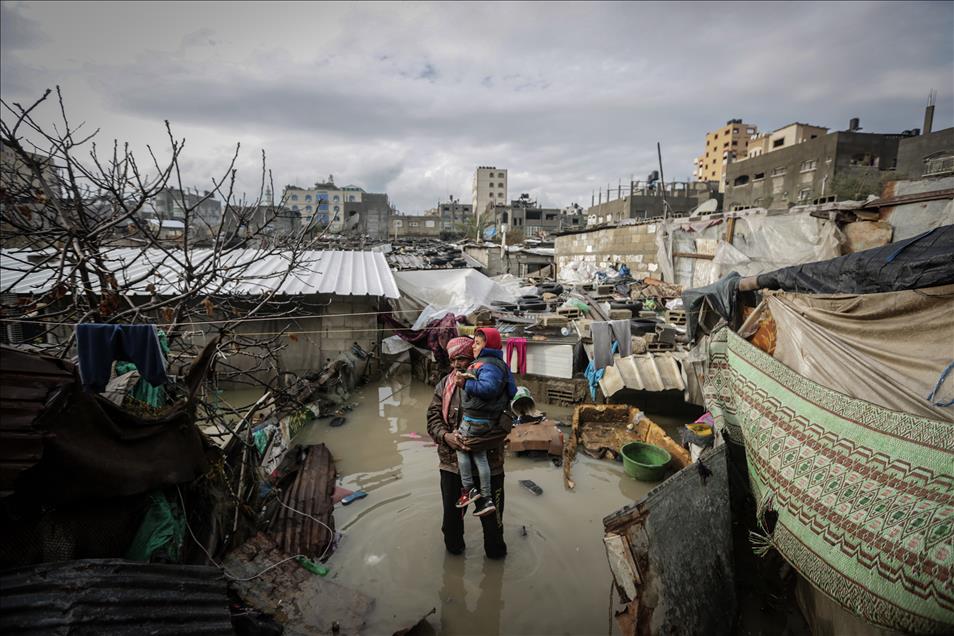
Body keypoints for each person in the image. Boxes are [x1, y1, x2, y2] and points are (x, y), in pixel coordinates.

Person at [426, 336, 510, 558]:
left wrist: (481, 440)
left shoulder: (494, 382)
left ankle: (495, 564)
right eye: (453, 360)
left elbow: (508, 421)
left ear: (473, 356)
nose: (456, 365)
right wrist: (446, 436)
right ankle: (453, 568)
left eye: (462, 359)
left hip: (490, 465)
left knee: (494, 527)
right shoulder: (444, 385)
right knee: (451, 525)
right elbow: (433, 419)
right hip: (452, 466)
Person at [454, 328, 518, 517]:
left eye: (478, 343)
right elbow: (512, 391)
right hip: (488, 420)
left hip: (476, 419)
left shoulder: (487, 364)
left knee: (461, 446)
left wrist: (465, 384)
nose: (473, 346)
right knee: (479, 455)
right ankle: (487, 499)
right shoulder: (501, 365)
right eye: (474, 342)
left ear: (487, 346)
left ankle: (468, 490)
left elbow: (488, 388)